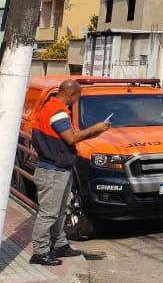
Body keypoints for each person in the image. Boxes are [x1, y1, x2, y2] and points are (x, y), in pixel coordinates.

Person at [30, 79, 111, 266]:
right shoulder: (57, 112)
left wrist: (94, 133)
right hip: (53, 170)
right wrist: (94, 129)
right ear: (71, 94)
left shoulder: (52, 107)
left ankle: (60, 244)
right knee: (49, 212)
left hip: (56, 168)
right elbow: (71, 138)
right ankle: (40, 253)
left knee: (58, 210)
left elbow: (70, 138)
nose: (78, 99)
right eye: (78, 95)